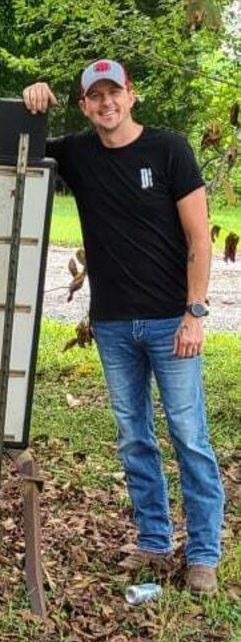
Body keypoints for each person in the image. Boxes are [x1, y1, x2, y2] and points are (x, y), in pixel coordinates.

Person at [23, 59, 224, 594]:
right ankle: (154, 545)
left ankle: (203, 554)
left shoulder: (169, 151)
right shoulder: (80, 155)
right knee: (135, 438)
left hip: (170, 323)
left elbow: (200, 240)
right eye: (96, 96)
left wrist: (195, 313)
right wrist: (35, 94)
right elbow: (26, 138)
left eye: (115, 93)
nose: (106, 104)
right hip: (112, 325)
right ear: (85, 105)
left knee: (189, 437)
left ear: (131, 96)